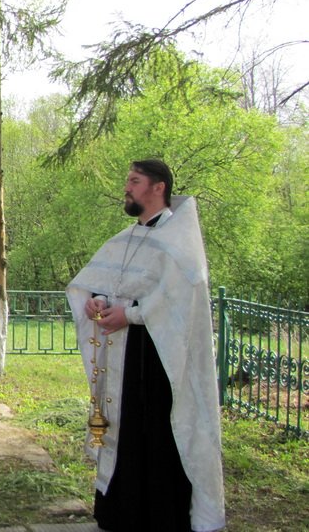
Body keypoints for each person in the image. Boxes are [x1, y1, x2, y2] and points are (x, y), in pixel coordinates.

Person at [66, 159, 225, 532]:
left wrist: (132, 315)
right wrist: (98, 300)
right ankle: (121, 513)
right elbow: (102, 282)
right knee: (125, 429)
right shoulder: (127, 237)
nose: (127, 188)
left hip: (161, 359)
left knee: (158, 432)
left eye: (135, 181)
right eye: (128, 181)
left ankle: (160, 518)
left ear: (159, 188)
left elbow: (183, 296)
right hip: (124, 354)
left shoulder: (179, 240)